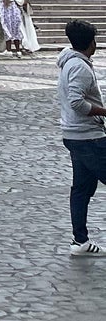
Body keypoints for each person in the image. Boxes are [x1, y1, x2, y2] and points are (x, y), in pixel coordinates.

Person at [58, 18, 106, 255]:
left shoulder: (69, 62)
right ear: (91, 43)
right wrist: (104, 111)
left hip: (75, 135)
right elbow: (77, 101)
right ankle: (80, 240)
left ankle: (80, 241)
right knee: (81, 189)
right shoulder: (79, 67)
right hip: (88, 137)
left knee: (81, 188)